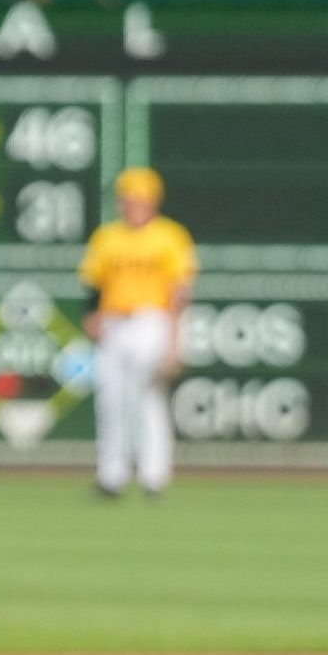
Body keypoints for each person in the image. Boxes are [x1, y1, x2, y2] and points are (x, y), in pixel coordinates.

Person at [80, 168, 197, 499]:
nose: (132, 206)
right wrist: (92, 317)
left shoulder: (171, 236)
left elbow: (180, 291)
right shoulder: (108, 237)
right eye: (127, 199)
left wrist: (176, 339)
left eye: (139, 200)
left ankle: (153, 475)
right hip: (114, 322)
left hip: (152, 322)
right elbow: (93, 283)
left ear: (153, 201)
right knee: (110, 399)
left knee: (145, 395)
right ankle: (111, 476)